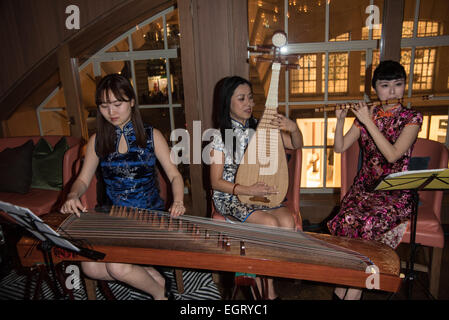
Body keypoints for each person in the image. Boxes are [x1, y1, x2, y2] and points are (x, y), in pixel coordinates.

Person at [60, 73, 186, 300]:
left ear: (132, 102)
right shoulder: (97, 140)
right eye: (105, 106)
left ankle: (161, 294)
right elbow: (82, 180)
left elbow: (175, 176)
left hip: (148, 216)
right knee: (90, 268)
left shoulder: (151, 136)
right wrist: (72, 195)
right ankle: (153, 277)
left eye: (118, 104)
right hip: (113, 216)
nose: (112, 112)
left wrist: (178, 201)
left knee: (117, 267)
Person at [327, 60, 423, 300]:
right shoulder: (366, 116)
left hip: (395, 192)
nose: (392, 92)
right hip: (364, 190)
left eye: (398, 84)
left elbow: (392, 155)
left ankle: (352, 290)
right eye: (385, 85)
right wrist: (340, 119)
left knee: (365, 224)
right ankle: (344, 288)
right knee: (346, 219)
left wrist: (368, 121)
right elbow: (339, 148)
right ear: (375, 89)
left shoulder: (412, 118)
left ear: (404, 86)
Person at [209, 76, 303, 300]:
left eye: (250, 98)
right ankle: (267, 291)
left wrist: (294, 128)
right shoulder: (219, 136)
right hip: (232, 196)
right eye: (241, 98)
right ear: (227, 103)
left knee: (288, 222)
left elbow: (295, 144)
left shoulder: (262, 128)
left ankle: (259, 278)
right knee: (270, 224)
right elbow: (216, 182)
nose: (248, 103)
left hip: (262, 193)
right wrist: (248, 190)